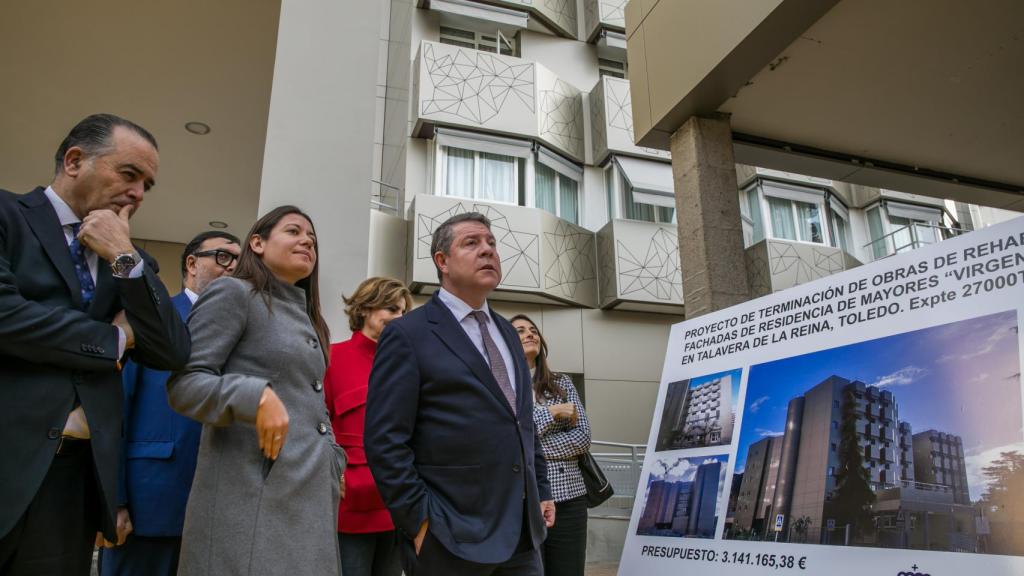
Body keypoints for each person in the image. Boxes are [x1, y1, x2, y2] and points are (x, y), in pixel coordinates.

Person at [0, 113, 191, 575]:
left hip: (73, 482)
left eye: (147, 184)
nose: (139, 194)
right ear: (74, 160)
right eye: (129, 174)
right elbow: (7, 317)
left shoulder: (129, 260)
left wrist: (123, 258)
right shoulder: (8, 217)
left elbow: (172, 350)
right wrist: (116, 336)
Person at [366, 212, 555, 576]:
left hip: (522, 536)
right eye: (472, 243)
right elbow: (385, 440)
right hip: (450, 538)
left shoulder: (507, 333)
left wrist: (541, 489)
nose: (487, 250)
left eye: (491, 243)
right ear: (442, 261)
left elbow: (522, 422)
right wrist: (419, 523)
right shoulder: (409, 333)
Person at [167, 206, 345, 576]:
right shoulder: (233, 294)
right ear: (258, 243)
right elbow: (184, 384)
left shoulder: (311, 317)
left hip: (310, 489)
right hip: (250, 491)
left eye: (312, 237)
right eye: (294, 231)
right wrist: (254, 395)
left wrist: (333, 459)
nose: (307, 240)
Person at [99, 230, 240, 576]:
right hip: (151, 503)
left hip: (220, 511)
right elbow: (114, 410)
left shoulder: (240, 333)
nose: (234, 267)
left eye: (240, 262)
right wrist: (113, 500)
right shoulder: (152, 319)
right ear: (192, 264)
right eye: (224, 257)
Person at [324, 276, 412, 576]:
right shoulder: (331, 357)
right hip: (351, 503)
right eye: (390, 308)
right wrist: (333, 471)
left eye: (403, 312)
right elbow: (314, 423)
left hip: (400, 501)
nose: (399, 318)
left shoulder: (409, 366)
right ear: (364, 309)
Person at [509, 314, 592, 576]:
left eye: (533, 330)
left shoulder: (562, 382)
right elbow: (509, 436)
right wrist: (553, 413)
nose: (530, 334)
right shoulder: (502, 385)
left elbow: (582, 437)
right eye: (520, 330)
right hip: (521, 501)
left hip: (569, 498)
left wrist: (531, 450)